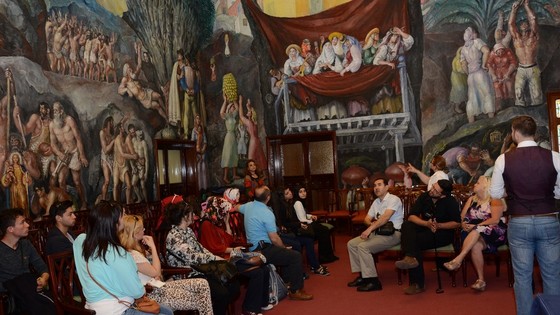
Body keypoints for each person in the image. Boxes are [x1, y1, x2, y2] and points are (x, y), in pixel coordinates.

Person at [489, 115, 560, 315]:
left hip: (519, 222)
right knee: (553, 276)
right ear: (534, 133)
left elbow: (494, 193)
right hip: (548, 218)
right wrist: (547, 194)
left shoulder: (503, 159)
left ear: (514, 133)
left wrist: (510, 192)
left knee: (522, 277)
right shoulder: (554, 156)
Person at [73, 201, 173, 315]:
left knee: (167, 310)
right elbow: (137, 291)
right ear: (115, 224)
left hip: (91, 306)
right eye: (123, 215)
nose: (125, 218)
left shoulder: (80, 241)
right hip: (117, 309)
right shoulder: (118, 253)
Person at [119, 215, 214, 314]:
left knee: (202, 283)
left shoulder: (137, 249)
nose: (144, 230)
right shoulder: (132, 255)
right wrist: (153, 247)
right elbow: (156, 271)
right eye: (142, 228)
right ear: (134, 233)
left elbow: (157, 272)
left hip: (159, 287)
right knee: (200, 299)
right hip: (152, 294)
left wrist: (151, 253)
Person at [198, 190, 272, 315]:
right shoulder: (206, 224)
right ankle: (249, 308)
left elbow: (229, 239)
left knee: (264, 269)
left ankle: (262, 303)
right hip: (221, 262)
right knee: (258, 272)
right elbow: (214, 248)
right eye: (224, 210)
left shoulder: (215, 223)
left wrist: (227, 223)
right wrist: (233, 250)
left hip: (228, 257)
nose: (225, 213)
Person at [236, 186, 313, 301]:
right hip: (262, 250)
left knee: (287, 252)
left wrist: (230, 206)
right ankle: (295, 291)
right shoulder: (267, 213)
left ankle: (286, 282)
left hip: (252, 247)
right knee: (295, 256)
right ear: (268, 198)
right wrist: (283, 248)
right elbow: (274, 239)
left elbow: (236, 207)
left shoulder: (247, 206)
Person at [164, 201, 240, 315]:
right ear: (185, 217)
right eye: (191, 213)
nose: (193, 215)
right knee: (222, 293)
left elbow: (200, 249)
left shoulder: (188, 231)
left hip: (200, 269)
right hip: (186, 274)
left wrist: (215, 257)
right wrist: (214, 258)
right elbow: (192, 256)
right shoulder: (174, 236)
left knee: (233, 285)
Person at [395, 179, 461, 295]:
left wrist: (439, 225)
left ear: (443, 195)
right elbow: (411, 216)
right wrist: (426, 224)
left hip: (443, 233)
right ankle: (410, 258)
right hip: (426, 227)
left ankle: (417, 283)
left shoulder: (451, 202)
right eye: (433, 187)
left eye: (436, 190)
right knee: (407, 225)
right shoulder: (425, 196)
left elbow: (456, 223)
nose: (432, 190)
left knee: (414, 242)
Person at [443, 176, 507, 291]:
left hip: (494, 231)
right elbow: (462, 217)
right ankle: (481, 280)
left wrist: (477, 226)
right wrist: (463, 224)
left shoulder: (495, 199)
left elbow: (495, 220)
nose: (475, 184)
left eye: (478, 182)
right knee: (475, 246)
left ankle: (458, 259)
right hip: (471, 232)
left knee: (477, 230)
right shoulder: (472, 199)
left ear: (486, 186)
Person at [347, 176, 404, 292]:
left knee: (363, 247)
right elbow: (367, 219)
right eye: (374, 185)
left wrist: (370, 229)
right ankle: (363, 276)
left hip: (393, 234)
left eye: (379, 185)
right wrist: (371, 225)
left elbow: (385, 218)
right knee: (352, 244)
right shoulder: (376, 202)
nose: (376, 188)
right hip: (378, 232)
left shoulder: (394, 199)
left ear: (387, 187)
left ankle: (373, 281)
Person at [0, 208, 55, 314]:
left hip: (31, 292)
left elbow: (43, 268)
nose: (27, 225)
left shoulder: (26, 245)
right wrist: (15, 288)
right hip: (11, 299)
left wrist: (43, 279)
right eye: (22, 223)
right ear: (10, 229)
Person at [279, 187, 329, 276]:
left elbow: (295, 219)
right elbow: (285, 223)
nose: (290, 193)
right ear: (282, 197)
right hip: (290, 233)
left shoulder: (289, 203)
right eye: (287, 193)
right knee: (309, 238)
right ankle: (314, 266)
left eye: (290, 191)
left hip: (294, 230)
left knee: (310, 238)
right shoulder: (283, 207)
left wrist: (300, 223)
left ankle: (315, 266)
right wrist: (299, 224)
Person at [49, 101, 88, 210]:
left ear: (62, 110)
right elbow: (53, 143)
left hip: (74, 152)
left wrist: (82, 155)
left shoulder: (69, 120)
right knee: (61, 181)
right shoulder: (52, 124)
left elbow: (78, 138)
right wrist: (59, 153)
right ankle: (67, 207)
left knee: (77, 181)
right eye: (54, 110)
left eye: (57, 110)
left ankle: (83, 202)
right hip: (63, 154)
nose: (55, 112)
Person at [509, 0, 543, 106]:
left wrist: (527, 6)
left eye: (526, 23)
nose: (524, 24)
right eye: (522, 23)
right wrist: (514, 10)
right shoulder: (516, 38)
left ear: (528, 26)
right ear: (519, 27)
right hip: (521, 69)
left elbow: (533, 19)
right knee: (518, 93)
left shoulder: (533, 36)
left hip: (533, 68)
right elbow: (511, 23)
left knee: (537, 95)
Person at [293, 186, 338, 264]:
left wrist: (310, 216)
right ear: (297, 193)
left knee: (324, 229)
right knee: (324, 230)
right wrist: (311, 220)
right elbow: (302, 219)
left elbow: (303, 214)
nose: (303, 193)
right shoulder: (298, 203)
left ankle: (326, 256)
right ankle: (325, 257)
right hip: (304, 226)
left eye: (304, 191)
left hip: (307, 222)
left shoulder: (300, 201)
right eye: (300, 192)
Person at [460, 26, 495, 123]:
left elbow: (463, 64)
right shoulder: (477, 41)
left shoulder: (463, 48)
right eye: (474, 32)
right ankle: (491, 117)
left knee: (472, 97)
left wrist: (468, 73)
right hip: (480, 72)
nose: (476, 34)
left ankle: (471, 120)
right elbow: (487, 51)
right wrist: (483, 64)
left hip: (471, 76)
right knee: (486, 93)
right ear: (472, 35)